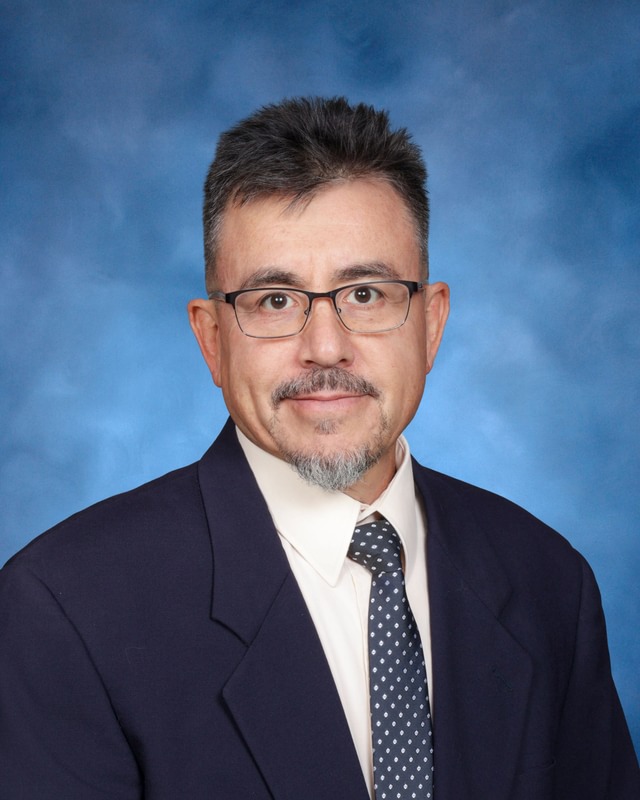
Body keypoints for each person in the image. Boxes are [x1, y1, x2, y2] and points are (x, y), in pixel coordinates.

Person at [0, 97, 637, 800]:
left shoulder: (548, 579)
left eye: (365, 293)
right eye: (275, 301)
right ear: (212, 339)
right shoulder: (65, 607)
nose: (325, 346)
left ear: (431, 326)